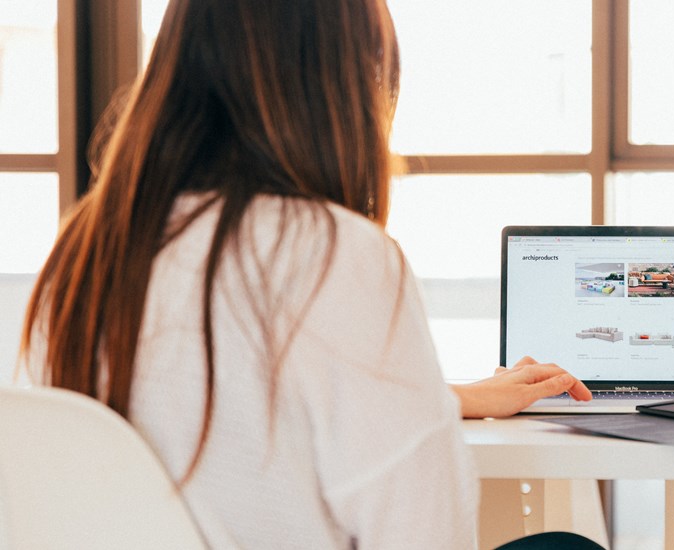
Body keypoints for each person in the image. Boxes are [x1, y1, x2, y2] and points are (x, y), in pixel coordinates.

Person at [18, 0, 597, 548]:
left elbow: (219, 422)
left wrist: (448, 399)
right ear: (341, 85)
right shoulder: (334, 254)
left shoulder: (83, 255)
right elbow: (427, 532)